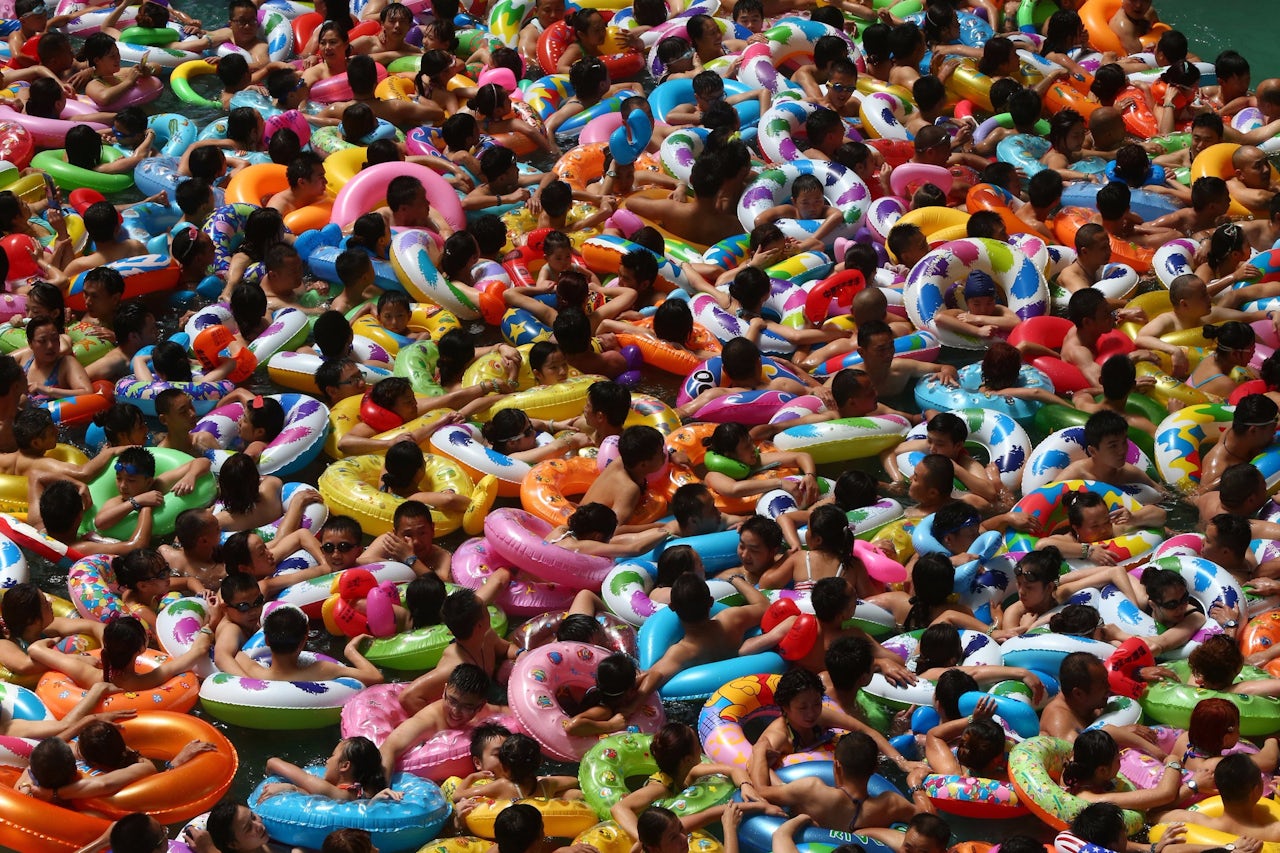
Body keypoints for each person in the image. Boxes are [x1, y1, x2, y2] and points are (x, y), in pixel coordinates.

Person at [751, 732, 918, 841]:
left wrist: (759, 752)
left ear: (837, 765)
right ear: (875, 768)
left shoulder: (811, 790)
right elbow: (924, 817)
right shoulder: (891, 804)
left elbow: (761, 791)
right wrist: (916, 785)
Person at [611, 722, 755, 839]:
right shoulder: (659, 788)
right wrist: (644, 841)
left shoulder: (691, 772)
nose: (700, 748)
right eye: (697, 745)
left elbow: (732, 770)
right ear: (687, 759)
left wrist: (746, 785)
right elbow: (619, 808)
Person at [636, 573, 770, 694]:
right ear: (711, 602)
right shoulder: (732, 620)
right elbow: (764, 606)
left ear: (671, 607)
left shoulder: (681, 652)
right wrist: (735, 579)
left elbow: (652, 676)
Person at [379, 663, 498, 781]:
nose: (456, 711)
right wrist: (382, 788)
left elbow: (506, 712)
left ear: (480, 705)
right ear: (444, 690)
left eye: (467, 706)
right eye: (452, 700)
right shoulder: (427, 721)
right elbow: (388, 748)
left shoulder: (484, 711)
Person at [233, 604, 382, 686]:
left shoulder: (253, 671)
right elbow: (376, 677)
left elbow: (234, 654)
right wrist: (350, 651)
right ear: (304, 640)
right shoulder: (322, 670)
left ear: (266, 641)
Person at [260, 736, 395, 803]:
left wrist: (289, 787)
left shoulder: (335, 792)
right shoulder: (369, 790)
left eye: (332, 756)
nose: (327, 761)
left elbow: (273, 763)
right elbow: (390, 747)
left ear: (344, 766)